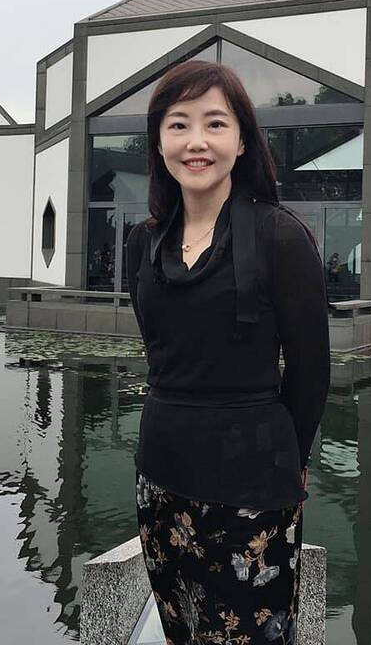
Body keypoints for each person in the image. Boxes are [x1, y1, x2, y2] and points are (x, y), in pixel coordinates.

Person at [125, 59, 331, 644]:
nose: (196, 141)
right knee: (180, 630)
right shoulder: (144, 241)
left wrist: (291, 459)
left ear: (241, 141)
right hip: (159, 475)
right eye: (179, 124)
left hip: (252, 487)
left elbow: (311, 371)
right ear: (159, 141)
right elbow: (161, 350)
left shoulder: (280, 237)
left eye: (215, 124)